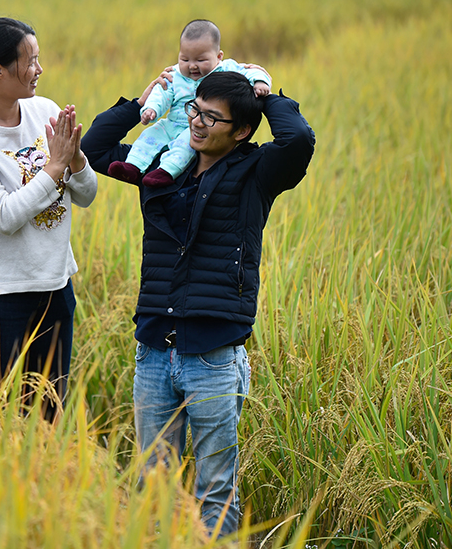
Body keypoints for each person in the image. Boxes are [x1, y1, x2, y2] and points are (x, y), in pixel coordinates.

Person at [81, 71, 314, 536]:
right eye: (195, 110)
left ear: (241, 130)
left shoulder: (256, 171)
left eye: (212, 116)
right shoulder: (166, 163)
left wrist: (264, 97)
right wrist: (141, 104)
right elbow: (94, 149)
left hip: (212, 355)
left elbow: (298, 139)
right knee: (155, 484)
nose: (198, 123)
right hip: (153, 349)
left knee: (215, 489)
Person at [0, 17, 98, 420]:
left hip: (54, 285)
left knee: (48, 414)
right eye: (30, 61)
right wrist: (54, 166)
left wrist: (75, 160)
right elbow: (4, 216)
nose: (39, 70)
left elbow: (86, 195)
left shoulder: (42, 111)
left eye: (39, 59)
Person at [108, 20, 272, 188]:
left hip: (194, 127)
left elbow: (252, 70)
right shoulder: (175, 74)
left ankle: (166, 171)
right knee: (150, 136)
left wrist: (260, 83)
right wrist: (151, 109)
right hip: (172, 122)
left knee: (184, 147)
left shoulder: (226, 69)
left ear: (218, 57)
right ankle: (132, 165)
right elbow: (162, 93)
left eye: (201, 60)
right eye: (184, 59)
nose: (192, 65)